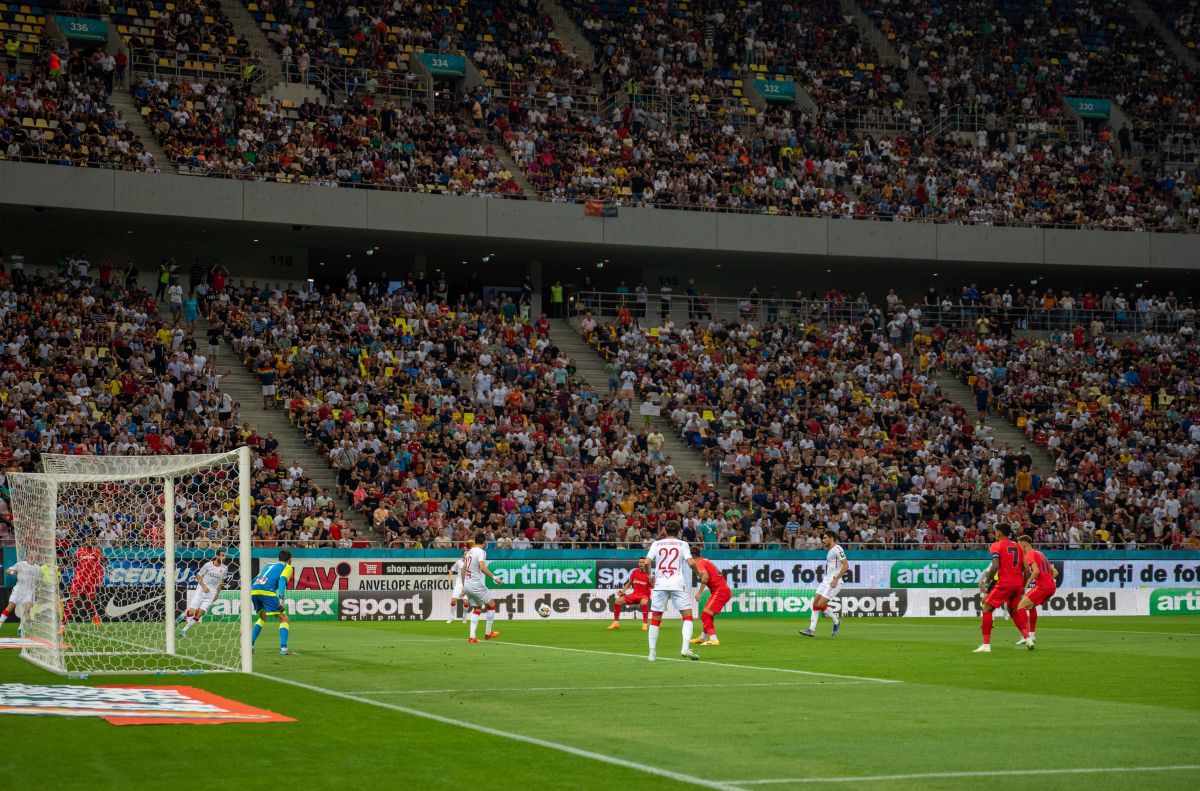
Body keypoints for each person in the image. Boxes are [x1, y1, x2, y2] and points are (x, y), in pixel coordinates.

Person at [645, 521, 700, 661]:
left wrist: (650, 576)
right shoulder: (683, 544)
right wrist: (698, 573)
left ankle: (652, 653)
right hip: (676, 583)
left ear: (664, 531)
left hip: (660, 584)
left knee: (656, 619)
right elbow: (691, 562)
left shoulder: (656, 544)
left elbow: (646, 562)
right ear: (679, 532)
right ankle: (685, 648)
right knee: (687, 616)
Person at [974, 524, 1032, 653]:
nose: (995, 534)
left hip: (1005, 582)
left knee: (987, 608)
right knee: (1014, 612)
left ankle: (986, 645)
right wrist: (1023, 585)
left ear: (999, 533)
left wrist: (986, 582)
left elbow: (995, 566)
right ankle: (1028, 639)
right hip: (1017, 584)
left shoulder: (996, 545)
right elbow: (1027, 569)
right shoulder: (1018, 546)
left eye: (995, 532)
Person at [801, 530, 845, 637]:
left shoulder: (838, 548)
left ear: (831, 538)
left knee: (820, 604)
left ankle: (836, 621)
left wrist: (836, 579)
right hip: (826, 580)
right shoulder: (830, 551)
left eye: (825, 538)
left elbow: (846, 565)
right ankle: (811, 630)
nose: (823, 540)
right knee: (815, 604)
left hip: (834, 582)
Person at [1016, 535, 1058, 646]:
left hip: (1043, 587)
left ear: (1023, 544)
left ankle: (1026, 637)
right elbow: (1055, 572)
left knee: (1020, 607)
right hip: (1051, 586)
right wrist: (1048, 580)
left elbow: (1036, 572)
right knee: (1031, 607)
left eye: (1019, 544)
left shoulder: (1029, 554)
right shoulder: (1040, 554)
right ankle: (1032, 635)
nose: (1018, 546)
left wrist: (1026, 585)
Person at [178, 548, 228, 638]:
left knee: (199, 614)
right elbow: (198, 576)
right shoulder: (208, 565)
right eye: (222, 555)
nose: (224, 557)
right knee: (192, 612)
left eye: (225, 556)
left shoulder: (224, 568)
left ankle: (184, 630)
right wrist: (204, 587)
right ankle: (182, 617)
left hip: (211, 594)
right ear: (217, 555)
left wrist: (217, 593)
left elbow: (222, 581)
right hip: (201, 591)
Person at [251, 549, 294, 655]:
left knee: (263, 617)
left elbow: (256, 578)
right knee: (284, 619)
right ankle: (283, 649)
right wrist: (281, 598)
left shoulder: (268, 565)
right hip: (267, 592)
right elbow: (282, 580)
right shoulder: (287, 567)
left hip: (254, 590)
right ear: (290, 560)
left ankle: (250, 645)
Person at [463, 531, 503, 643]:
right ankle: (488, 632)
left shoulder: (469, 552)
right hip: (475, 584)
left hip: (467, 584)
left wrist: (463, 585)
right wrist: (494, 577)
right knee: (492, 604)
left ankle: (472, 637)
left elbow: (464, 568)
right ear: (484, 542)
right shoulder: (481, 552)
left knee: (477, 608)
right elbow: (482, 567)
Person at [62, 534, 105, 628]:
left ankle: (95, 616)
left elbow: (103, 562)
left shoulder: (97, 551)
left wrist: (107, 570)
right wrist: (63, 567)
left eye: (92, 539)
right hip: (79, 579)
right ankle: (62, 625)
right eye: (88, 539)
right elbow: (74, 563)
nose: (90, 541)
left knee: (88, 602)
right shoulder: (79, 551)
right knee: (72, 600)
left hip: (92, 580)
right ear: (84, 541)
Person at [690, 545, 730, 646]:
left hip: (720, 591)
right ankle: (703, 637)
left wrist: (699, 593)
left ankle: (714, 639)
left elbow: (705, 577)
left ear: (691, 556)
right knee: (708, 615)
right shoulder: (705, 560)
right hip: (722, 590)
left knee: (705, 615)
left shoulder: (699, 562)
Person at [0, 551, 41, 635]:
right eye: (32, 553)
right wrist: (13, 572)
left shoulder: (38, 568)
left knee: (28, 608)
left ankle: (21, 628)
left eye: (36, 554)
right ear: (28, 555)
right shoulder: (21, 564)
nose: (34, 555)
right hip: (19, 589)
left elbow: (39, 580)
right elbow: (6, 571)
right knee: (11, 606)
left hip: (29, 591)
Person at [607, 556, 651, 631]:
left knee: (644, 602)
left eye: (643, 562)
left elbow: (653, 585)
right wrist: (623, 591)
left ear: (646, 564)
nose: (641, 564)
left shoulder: (649, 574)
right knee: (617, 601)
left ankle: (645, 624)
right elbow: (630, 583)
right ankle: (616, 623)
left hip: (644, 595)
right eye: (639, 562)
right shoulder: (635, 572)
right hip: (634, 595)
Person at [446, 546, 469, 624]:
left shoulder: (471, 564)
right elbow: (451, 570)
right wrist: (449, 579)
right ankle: (451, 617)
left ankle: (464, 617)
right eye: (465, 554)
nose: (466, 555)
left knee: (466, 602)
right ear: (462, 555)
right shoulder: (458, 562)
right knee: (453, 600)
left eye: (467, 554)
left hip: (467, 584)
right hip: (458, 584)